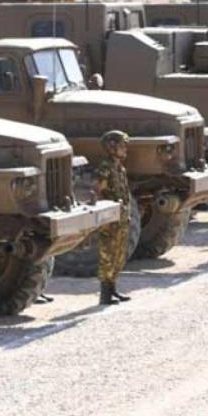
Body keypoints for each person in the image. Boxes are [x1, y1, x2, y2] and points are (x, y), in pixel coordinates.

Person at [94, 130, 132, 306]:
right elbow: (98, 191)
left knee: (119, 254)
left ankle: (113, 288)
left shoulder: (120, 168)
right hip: (111, 218)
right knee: (108, 255)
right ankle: (105, 294)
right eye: (122, 146)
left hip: (122, 217)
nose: (125, 149)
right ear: (112, 147)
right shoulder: (105, 168)